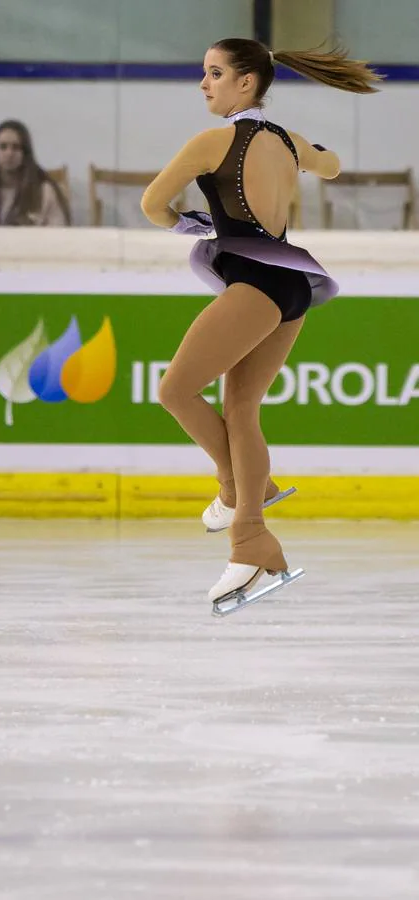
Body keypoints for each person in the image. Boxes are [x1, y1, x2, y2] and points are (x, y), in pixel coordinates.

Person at [141, 40, 380, 605]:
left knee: (174, 389)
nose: (205, 84)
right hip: (293, 280)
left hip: (256, 282)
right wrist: (305, 155)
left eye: (216, 73)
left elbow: (153, 203)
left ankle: (240, 495)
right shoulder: (285, 140)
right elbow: (334, 165)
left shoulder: (212, 142)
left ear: (246, 83)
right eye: (205, 73)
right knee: (242, 408)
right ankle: (255, 541)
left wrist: (191, 226)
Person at [0, 120, 70, 226]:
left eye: (16, 147)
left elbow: (59, 236)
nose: (9, 153)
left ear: (25, 153)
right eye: (3, 147)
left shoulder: (46, 192)